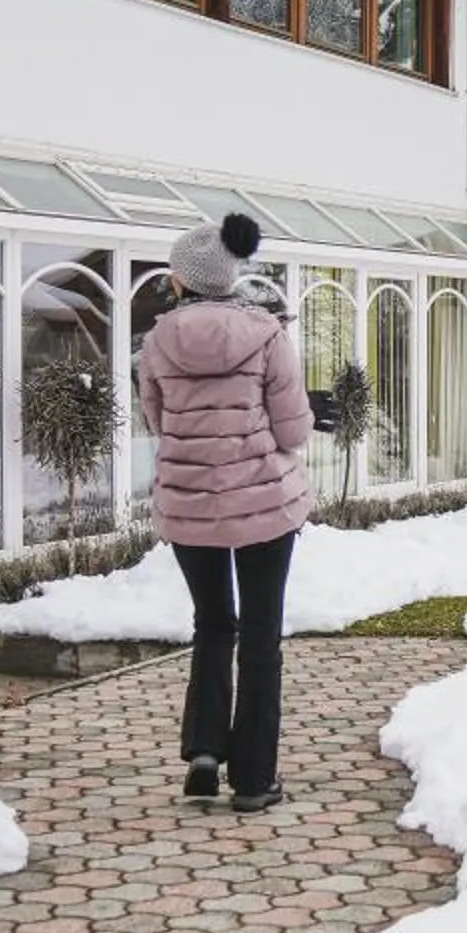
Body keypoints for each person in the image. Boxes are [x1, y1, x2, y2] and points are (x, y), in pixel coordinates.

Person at [137, 213, 314, 811]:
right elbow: (292, 428)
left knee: (213, 624)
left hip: (188, 508)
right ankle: (255, 780)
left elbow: (158, 422)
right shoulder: (267, 336)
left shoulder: (158, 340)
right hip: (264, 503)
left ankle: (206, 751)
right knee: (260, 636)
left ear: (184, 281)